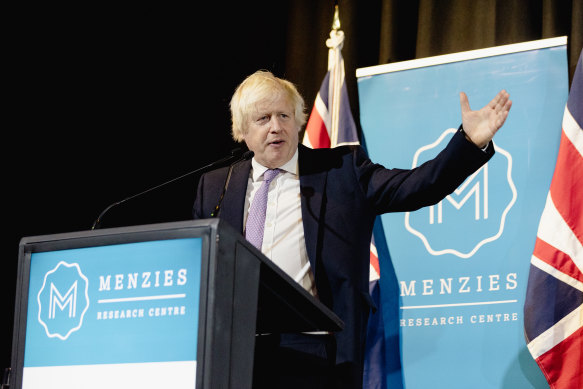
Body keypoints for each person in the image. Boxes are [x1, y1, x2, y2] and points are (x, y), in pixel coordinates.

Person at [193, 70, 512, 389]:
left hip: (314, 350)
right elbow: (199, 266)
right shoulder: (217, 186)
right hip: (232, 349)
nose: (276, 126)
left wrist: (468, 142)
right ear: (242, 129)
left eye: (284, 115)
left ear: (298, 121)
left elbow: (418, 186)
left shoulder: (342, 170)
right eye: (263, 118)